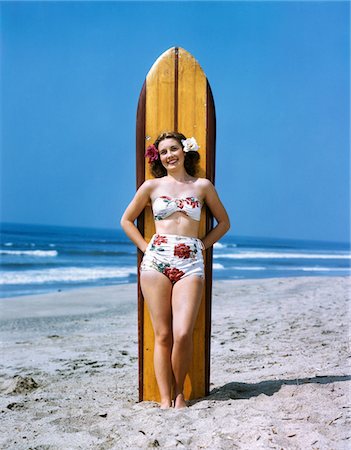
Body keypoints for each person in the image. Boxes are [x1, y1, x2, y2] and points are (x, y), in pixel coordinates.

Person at [120, 131, 230, 409]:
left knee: (182, 332)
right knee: (163, 334)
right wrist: (147, 248)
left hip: (191, 261)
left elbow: (224, 224)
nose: (169, 155)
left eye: (173, 149)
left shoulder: (203, 186)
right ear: (159, 157)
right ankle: (166, 397)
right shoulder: (151, 187)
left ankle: (180, 392)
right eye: (164, 152)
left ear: (184, 151)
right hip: (156, 261)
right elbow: (126, 221)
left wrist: (201, 246)